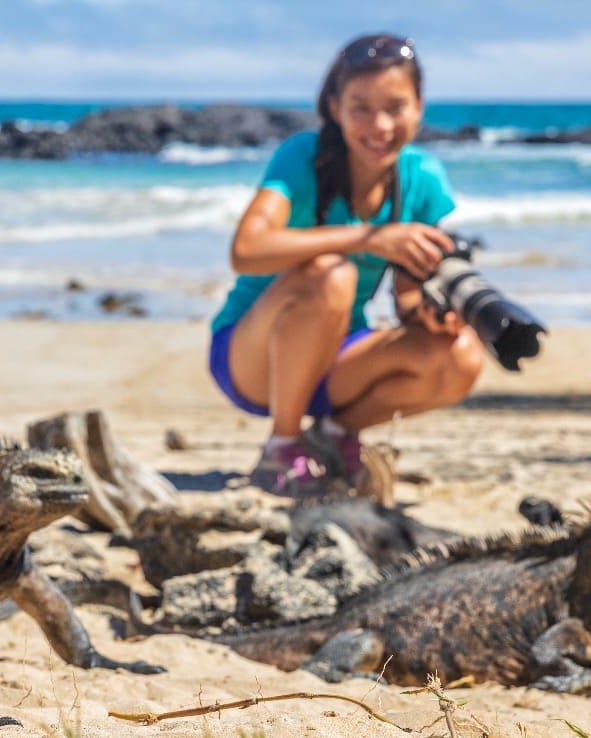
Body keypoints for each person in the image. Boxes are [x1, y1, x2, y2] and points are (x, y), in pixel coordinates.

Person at [208, 33, 486, 497]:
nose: (379, 125)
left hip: (339, 360)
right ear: (335, 108)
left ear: (418, 107)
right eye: (361, 107)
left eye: (394, 107)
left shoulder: (423, 180)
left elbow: (407, 297)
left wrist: (431, 316)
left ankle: (334, 436)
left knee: (461, 355)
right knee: (333, 274)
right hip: (252, 356)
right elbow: (247, 248)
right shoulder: (302, 156)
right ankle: (281, 445)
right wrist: (372, 238)